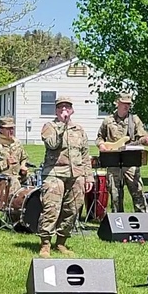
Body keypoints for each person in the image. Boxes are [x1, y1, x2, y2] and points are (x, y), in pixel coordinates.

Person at [37, 95, 92, 258]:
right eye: (61, 107)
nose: (64, 110)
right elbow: (52, 144)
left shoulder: (79, 130)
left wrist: (88, 177)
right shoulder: (50, 127)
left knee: (72, 209)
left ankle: (61, 242)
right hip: (54, 173)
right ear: (56, 110)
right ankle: (45, 243)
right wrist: (63, 126)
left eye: (67, 107)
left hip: (76, 175)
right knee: (51, 208)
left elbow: (85, 155)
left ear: (72, 109)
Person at [96, 92, 148, 212]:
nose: (126, 106)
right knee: (115, 195)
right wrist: (101, 145)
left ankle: (143, 219)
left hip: (130, 161)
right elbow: (100, 137)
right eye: (124, 104)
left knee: (137, 191)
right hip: (113, 161)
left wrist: (146, 140)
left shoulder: (134, 120)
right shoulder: (108, 120)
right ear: (118, 103)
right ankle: (118, 221)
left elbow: (141, 136)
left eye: (128, 104)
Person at [0, 116, 29, 197]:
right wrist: (6, 163)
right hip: (1, 181)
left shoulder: (17, 142)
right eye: (8, 128)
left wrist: (23, 166)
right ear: (1, 129)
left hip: (18, 178)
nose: (11, 131)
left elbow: (24, 158)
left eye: (12, 128)